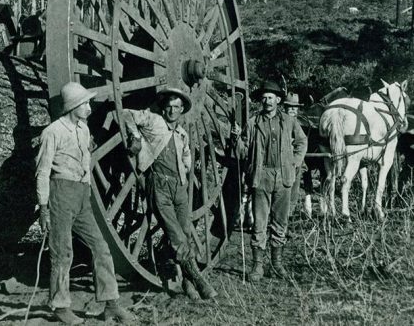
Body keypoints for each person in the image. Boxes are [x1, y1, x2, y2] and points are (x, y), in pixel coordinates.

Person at [35, 82, 135, 325]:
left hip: (82, 195)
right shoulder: (52, 132)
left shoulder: (83, 129)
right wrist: (44, 207)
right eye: (85, 104)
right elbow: (42, 171)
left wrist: (87, 189)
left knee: (101, 247)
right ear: (73, 107)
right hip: (60, 193)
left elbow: (86, 163)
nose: (89, 108)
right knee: (62, 253)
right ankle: (59, 305)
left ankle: (110, 303)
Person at [123, 88, 217, 300]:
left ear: (182, 110)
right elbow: (126, 113)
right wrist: (136, 136)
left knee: (184, 231)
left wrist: (187, 170)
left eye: (177, 107)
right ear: (163, 108)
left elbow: (186, 158)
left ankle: (186, 282)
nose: (172, 111)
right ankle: (198, 279)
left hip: (179, 187)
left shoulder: (182, 134)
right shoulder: (154, 121)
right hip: (159, 185)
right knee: (175, 235)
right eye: (169, 106)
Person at [235, 81, 307, 281]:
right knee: (259, 223)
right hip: (261, 176)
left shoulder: (289, 121)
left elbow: (302, 141)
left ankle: (277, 265)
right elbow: (243, 151)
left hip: (283, 177)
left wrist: (294, 162)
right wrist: (237, 140)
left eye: (271, 98)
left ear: (278, 100)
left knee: (280, 222)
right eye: (264, 98)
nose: (267, 101)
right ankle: (257, 267)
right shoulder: (252, 122)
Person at [283, 92, 305, 219]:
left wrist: (297, 161)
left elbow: (302, 142)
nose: (292, 109)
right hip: (279, 162)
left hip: (294, 163)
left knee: (293, 191)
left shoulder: (300, 124)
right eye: (289, 106)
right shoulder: (280, 120)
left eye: (295, 107)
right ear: (284, 107)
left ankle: (287, 219)